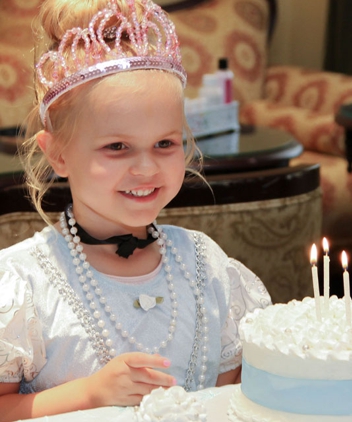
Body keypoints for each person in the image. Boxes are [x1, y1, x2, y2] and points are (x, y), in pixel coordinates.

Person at [0, 0, 271, 420]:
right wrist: (89, 394)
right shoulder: (23, 286)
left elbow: (229, 398)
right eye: (117, 147)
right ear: (58, 156)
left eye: (164, 143)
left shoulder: (207, 268)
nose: (145, 168)